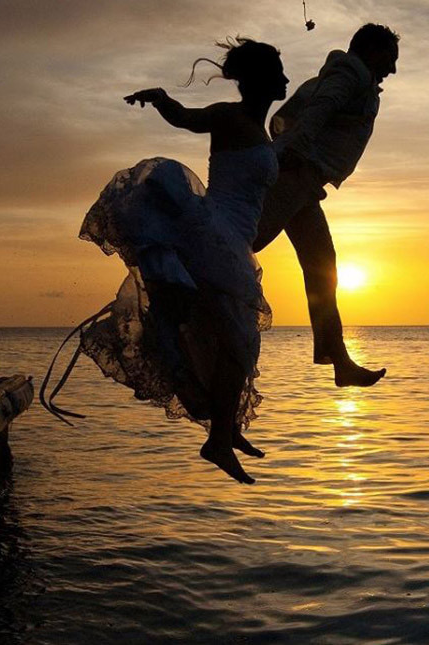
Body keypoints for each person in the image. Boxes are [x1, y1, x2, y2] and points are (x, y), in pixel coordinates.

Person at [44, 38, 287, 485]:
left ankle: (226, 429)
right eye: (280, 71)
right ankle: (218, 438)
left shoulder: (265, 131)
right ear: (260, 79)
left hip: (236, 239)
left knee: (235, 337)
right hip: (216, 233)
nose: (287, 78)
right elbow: (185, 118)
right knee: (237, 336)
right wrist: (162, 100)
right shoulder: (228, 116)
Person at [253, 23, 399, 387]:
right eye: (390, 59)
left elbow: (298, 114)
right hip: (294, 173)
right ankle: (179, 302)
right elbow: (321, 109)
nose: (393, 70)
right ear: (373, 52)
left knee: (323, 265)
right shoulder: (350, 73)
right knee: (242, 242)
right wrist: (297, 155)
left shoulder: (352, 77)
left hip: (305, 180)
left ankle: (339, 360)